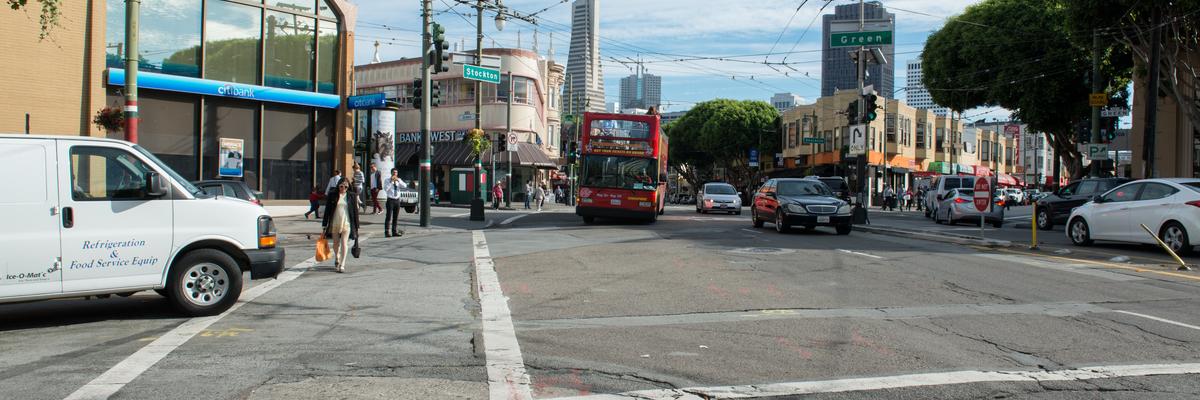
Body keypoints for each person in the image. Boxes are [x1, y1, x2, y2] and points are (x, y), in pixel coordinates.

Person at [321, 178, 359, 273]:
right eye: (341, 186)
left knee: (344, 243)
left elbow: (355, 211)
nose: (343, 188)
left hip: (347, 222)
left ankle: (342, 264)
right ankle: (337, 256)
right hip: (335, 221)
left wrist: (357, 225)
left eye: (346, 186)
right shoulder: (332, 195)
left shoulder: (351, 196)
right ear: (338, 186)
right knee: (335, 243)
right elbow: (327, 210)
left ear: (348, 187)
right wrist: (324, 224)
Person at [383, 169, 407, 237]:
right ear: (391, 173)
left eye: (396, 173)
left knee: (395, 217)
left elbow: (405, 186)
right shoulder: (387, 180)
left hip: (397, 200)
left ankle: (394, 231)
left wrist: (398, 180)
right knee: (388, 216)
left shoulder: (398, 180)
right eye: (394, 173)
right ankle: (387, 232)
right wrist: (391, 181)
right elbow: (386, 189)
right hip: (390, 200)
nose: (395, 174)